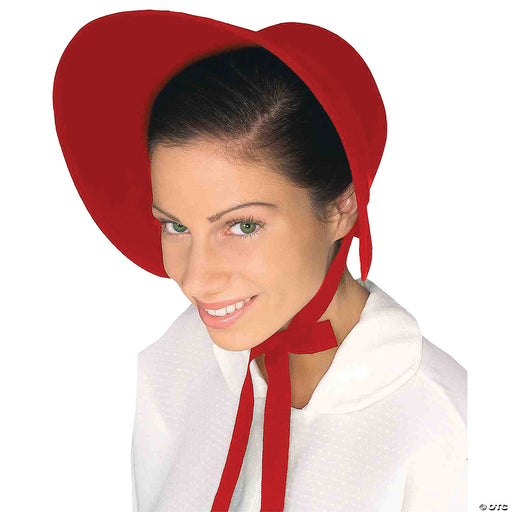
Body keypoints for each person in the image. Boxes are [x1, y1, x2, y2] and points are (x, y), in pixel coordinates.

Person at [53, 11, 467, 511]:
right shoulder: (172, 365)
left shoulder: (452, 427)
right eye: (176, 226)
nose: (196, 279)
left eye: (242, 226)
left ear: (342, 208)